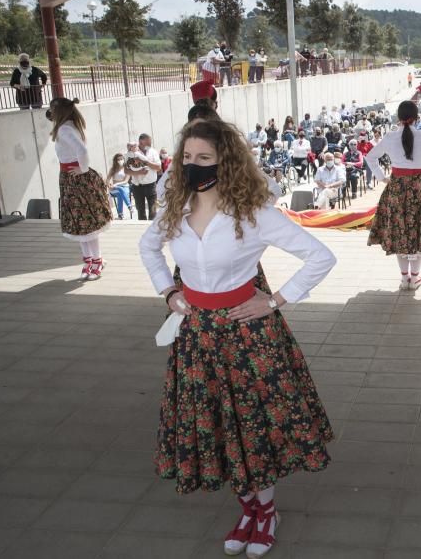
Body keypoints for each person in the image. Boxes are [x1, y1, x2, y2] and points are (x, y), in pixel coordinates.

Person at [138, 119, 336, 559]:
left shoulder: (253, 213)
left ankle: (265, 511)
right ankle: (247, 507)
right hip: (196, 337)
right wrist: (168, 291)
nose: (192, 166)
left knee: (251, 425)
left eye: (203, 159)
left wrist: (276, 300)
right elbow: (147, 248)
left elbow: (320, 257)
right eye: (187, 158)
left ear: (225, 162)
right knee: (215, 423)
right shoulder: (175, 210)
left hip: (247, 335)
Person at [364, 100, 421, 291]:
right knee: (418, 232)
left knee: (399, 231)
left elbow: (370, 157)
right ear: (416, 117)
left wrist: (382, 177)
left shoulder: (390, 137)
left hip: (397, 188)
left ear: (398, 117)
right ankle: (414, 279)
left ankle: (404, 278)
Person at [49, 97, 112, 280]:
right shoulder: (70, 125)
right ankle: (91, 259)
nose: (50, 113)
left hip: (74, 179)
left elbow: (82, 151)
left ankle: (95, 260)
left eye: (53, 110)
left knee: (83, 222)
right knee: (84, 223)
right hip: (73, 178)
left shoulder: (64, 129)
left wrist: (82, 169)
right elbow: (81, 150)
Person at [125, 133, 160, 220]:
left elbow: (158, 167)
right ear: (140, 142)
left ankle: (153, 232)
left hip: (151, 186)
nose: (149, 145)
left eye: (150, 143)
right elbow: (126, 170)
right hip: (138, 187)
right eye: (147, 143)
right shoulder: (130, 154)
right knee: (141, 212)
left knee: (153, 212)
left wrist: (144, 161)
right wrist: (139, 172)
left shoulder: (153, 152)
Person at [107, 152, 132, 219]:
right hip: (114, 189)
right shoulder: (113, 169)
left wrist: (116, 184)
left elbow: (126, 181)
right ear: (116, 161)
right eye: (118, 159)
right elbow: (108, 179)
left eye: (121, 159)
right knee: (119, 191)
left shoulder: (127, 168)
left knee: (120, 191)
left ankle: (120, 214)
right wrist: (109, 184)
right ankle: (129, 206)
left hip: (125, 187)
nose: (120, 160)